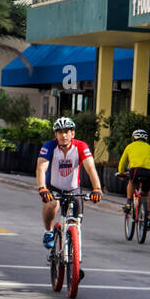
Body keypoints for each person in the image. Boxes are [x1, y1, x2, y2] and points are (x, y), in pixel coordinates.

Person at [36, 117, 102, 274]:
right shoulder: (49, 146)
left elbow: (90, 168)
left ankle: (75, 262)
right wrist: (42, 188)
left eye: (66, 132)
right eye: (59, 132)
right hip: (54, 187)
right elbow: (41, 168)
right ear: (55, 134)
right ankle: (49, 232)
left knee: (76, 224)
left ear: (73, 133)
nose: (63, 135)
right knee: (51, 205)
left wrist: (97, 189)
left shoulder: (81, 147)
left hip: (73, 189)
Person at [118, 127, 150, 229]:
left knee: (131, 182)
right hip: (148, 171)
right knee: (146, 194)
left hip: (135, 170)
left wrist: (121, 172)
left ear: (133, 138)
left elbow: (123, 161)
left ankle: (128, 203)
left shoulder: (130, 146)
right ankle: (148, 216)